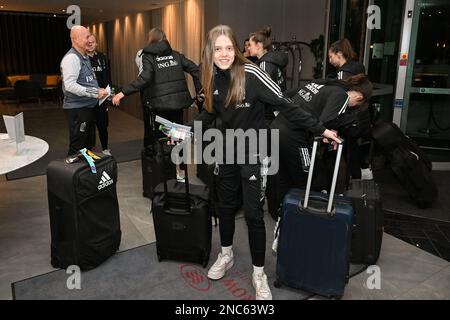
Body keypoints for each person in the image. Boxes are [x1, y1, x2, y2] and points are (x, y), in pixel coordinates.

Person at [183, 25, 340, 300]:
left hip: (253, 153)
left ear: (237, 49)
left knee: (254, 214)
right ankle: (227, 254)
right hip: (226, 149)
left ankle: (258, 273)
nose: (223, 54)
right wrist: (184, 132)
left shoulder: (253, 75)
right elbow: (208, 114)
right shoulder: (209, 78)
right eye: (218, 49)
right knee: (226, 206)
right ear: (210, 51)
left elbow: (287, 106)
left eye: (228, 48)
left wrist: (321, 129)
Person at [271, 74, 373, 209]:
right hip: (292, 135)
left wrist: (326, 129)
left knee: (283, 175)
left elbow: (289, 95)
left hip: (277, 126)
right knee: (306, 176)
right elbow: (325, 121)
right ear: (359, 98)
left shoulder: (324, 85)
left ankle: (279, 212)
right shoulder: (342, 96)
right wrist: (335, 128)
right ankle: (299, 214)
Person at [112, 28, 202, 148]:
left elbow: (145, 78)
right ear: (164, 38)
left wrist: (122, 93)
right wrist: (200, 92)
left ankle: (165, 162)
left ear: (151, 39)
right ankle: (180, 164)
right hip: (177, 104)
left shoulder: (148, 57)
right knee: (178, 135)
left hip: (159, 105)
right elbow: (196, 70)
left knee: (162, 137)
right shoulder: (176, 55)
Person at [327, 38, 371, 180]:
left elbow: (339, 100)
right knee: (352, 148)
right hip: (361, 117)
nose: (329, 60)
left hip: (349, 119)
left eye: (331, 56)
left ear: (339, 53)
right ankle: (363, 171)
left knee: (343, 152)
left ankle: (354, 183)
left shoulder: (343, 73)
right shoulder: (358, 68)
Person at [60, 26, 107, 156]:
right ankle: (72, 174)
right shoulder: (72, 58)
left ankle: (85, 174)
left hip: (86, 108)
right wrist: (95, 92)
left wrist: (98, 89)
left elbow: (85, 81)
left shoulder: (84, 57)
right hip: (78, 110)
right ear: (75, 39)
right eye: (86, 37)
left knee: (88, 144)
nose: (89, 40)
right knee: (78, 147)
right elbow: (70, 86)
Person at [86, 34, 112, 155]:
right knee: (89, 127)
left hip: (102, 98)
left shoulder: (102, 57)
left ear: (96, 44)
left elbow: (107, 76)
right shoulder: (81, 58)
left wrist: (109, 92)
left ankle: (105, 148)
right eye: (88, 42)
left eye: (93, 42)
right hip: (87, 99)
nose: (90, 44)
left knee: (102, 125)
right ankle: (89, 151)